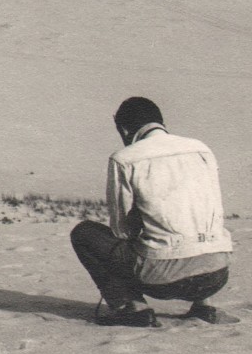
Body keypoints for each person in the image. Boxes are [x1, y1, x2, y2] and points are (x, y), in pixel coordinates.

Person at [70, 97, 236, 327]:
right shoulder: (201, 149)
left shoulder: (125, 159)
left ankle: (132, 307)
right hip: (217, 274)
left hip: (162, 280)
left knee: (84, 233)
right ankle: (204, 305)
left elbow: (121, 230)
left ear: (125, 129)